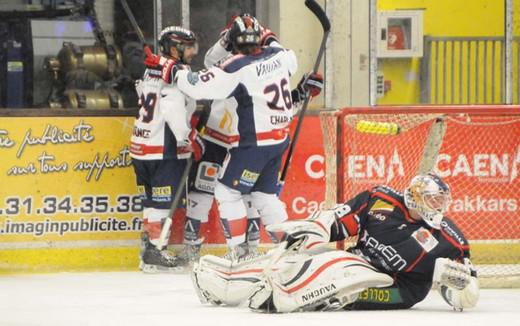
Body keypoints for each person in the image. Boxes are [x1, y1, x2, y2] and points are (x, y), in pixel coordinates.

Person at [191, 172, 480, 312]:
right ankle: (226, 283)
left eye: (442, 200)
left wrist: (457, 285)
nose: (438, 206)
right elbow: (339, 221)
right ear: (415, 197)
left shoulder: (450, 240)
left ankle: (283, 298)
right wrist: (317, 229)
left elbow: (467, 296)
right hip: (361, 262)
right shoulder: (380, 200)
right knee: (301, 257)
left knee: (340, 263)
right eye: (432, 199)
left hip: (397, 289)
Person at [160, 14, 323, 260]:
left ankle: (239, 253)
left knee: (226, 193)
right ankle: (291, 251)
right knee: (263, 195)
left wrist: (173, 70)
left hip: (252, 142)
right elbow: (273, 50)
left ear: (233, 41)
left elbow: (197, 84)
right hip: (278, 139)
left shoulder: (236, 68)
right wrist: (301, 90)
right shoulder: (283, 56)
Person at [130, 26, 204, 272]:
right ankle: (155, 251)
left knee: (151, 202)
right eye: (188, 47)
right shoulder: (176, 72)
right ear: (174, 49)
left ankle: (149, 250)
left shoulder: (153, 68)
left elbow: (142, 91)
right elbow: (173, 107)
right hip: (163, 148)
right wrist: (186, 138)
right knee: (162, 203)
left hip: (141, 145)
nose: (192, 52)